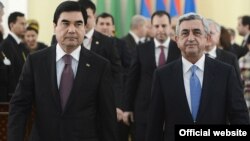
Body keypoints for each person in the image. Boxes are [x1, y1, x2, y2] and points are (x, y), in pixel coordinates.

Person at [8, 1, 117, 141]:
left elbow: (107, 117)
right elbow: (19, 107)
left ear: (85, 28)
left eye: (78, 24)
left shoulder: (100, 66)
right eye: (65, 23)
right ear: (55, 27)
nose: (72, 30)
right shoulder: (36, 61)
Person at [145, 13, 250, 141]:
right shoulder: (162, 75)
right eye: (185, 33)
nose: (190, 38)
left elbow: (239, 117)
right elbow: (154, 123)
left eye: (196, 32)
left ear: (206, 38)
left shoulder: (226, 72)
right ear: (177, 39)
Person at [123, 11, 181, 141]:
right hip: (144, 110)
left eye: (164, 26)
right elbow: (132, 79)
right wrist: (127, 108)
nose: (160, 29)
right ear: (151, 27)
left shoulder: (179, 49)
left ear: (171, 27)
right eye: (156, 26)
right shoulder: (141, 49)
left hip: (173, 110)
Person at [95, 12, 132, 141]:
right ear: (95, 26)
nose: (105, 27)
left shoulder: (121, 44)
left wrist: (121, 104)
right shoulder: (90, 44)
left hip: (116, 98)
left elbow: (127, 72)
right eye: (101, 24)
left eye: (108, 24)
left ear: (113, 27)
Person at [0, 11, 28, 101]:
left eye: (25, 24)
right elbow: (7, 76)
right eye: (22, 24)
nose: (25, 27)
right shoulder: (6, 45)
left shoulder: (21, 45)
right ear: (12, 25)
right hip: (11, 98)